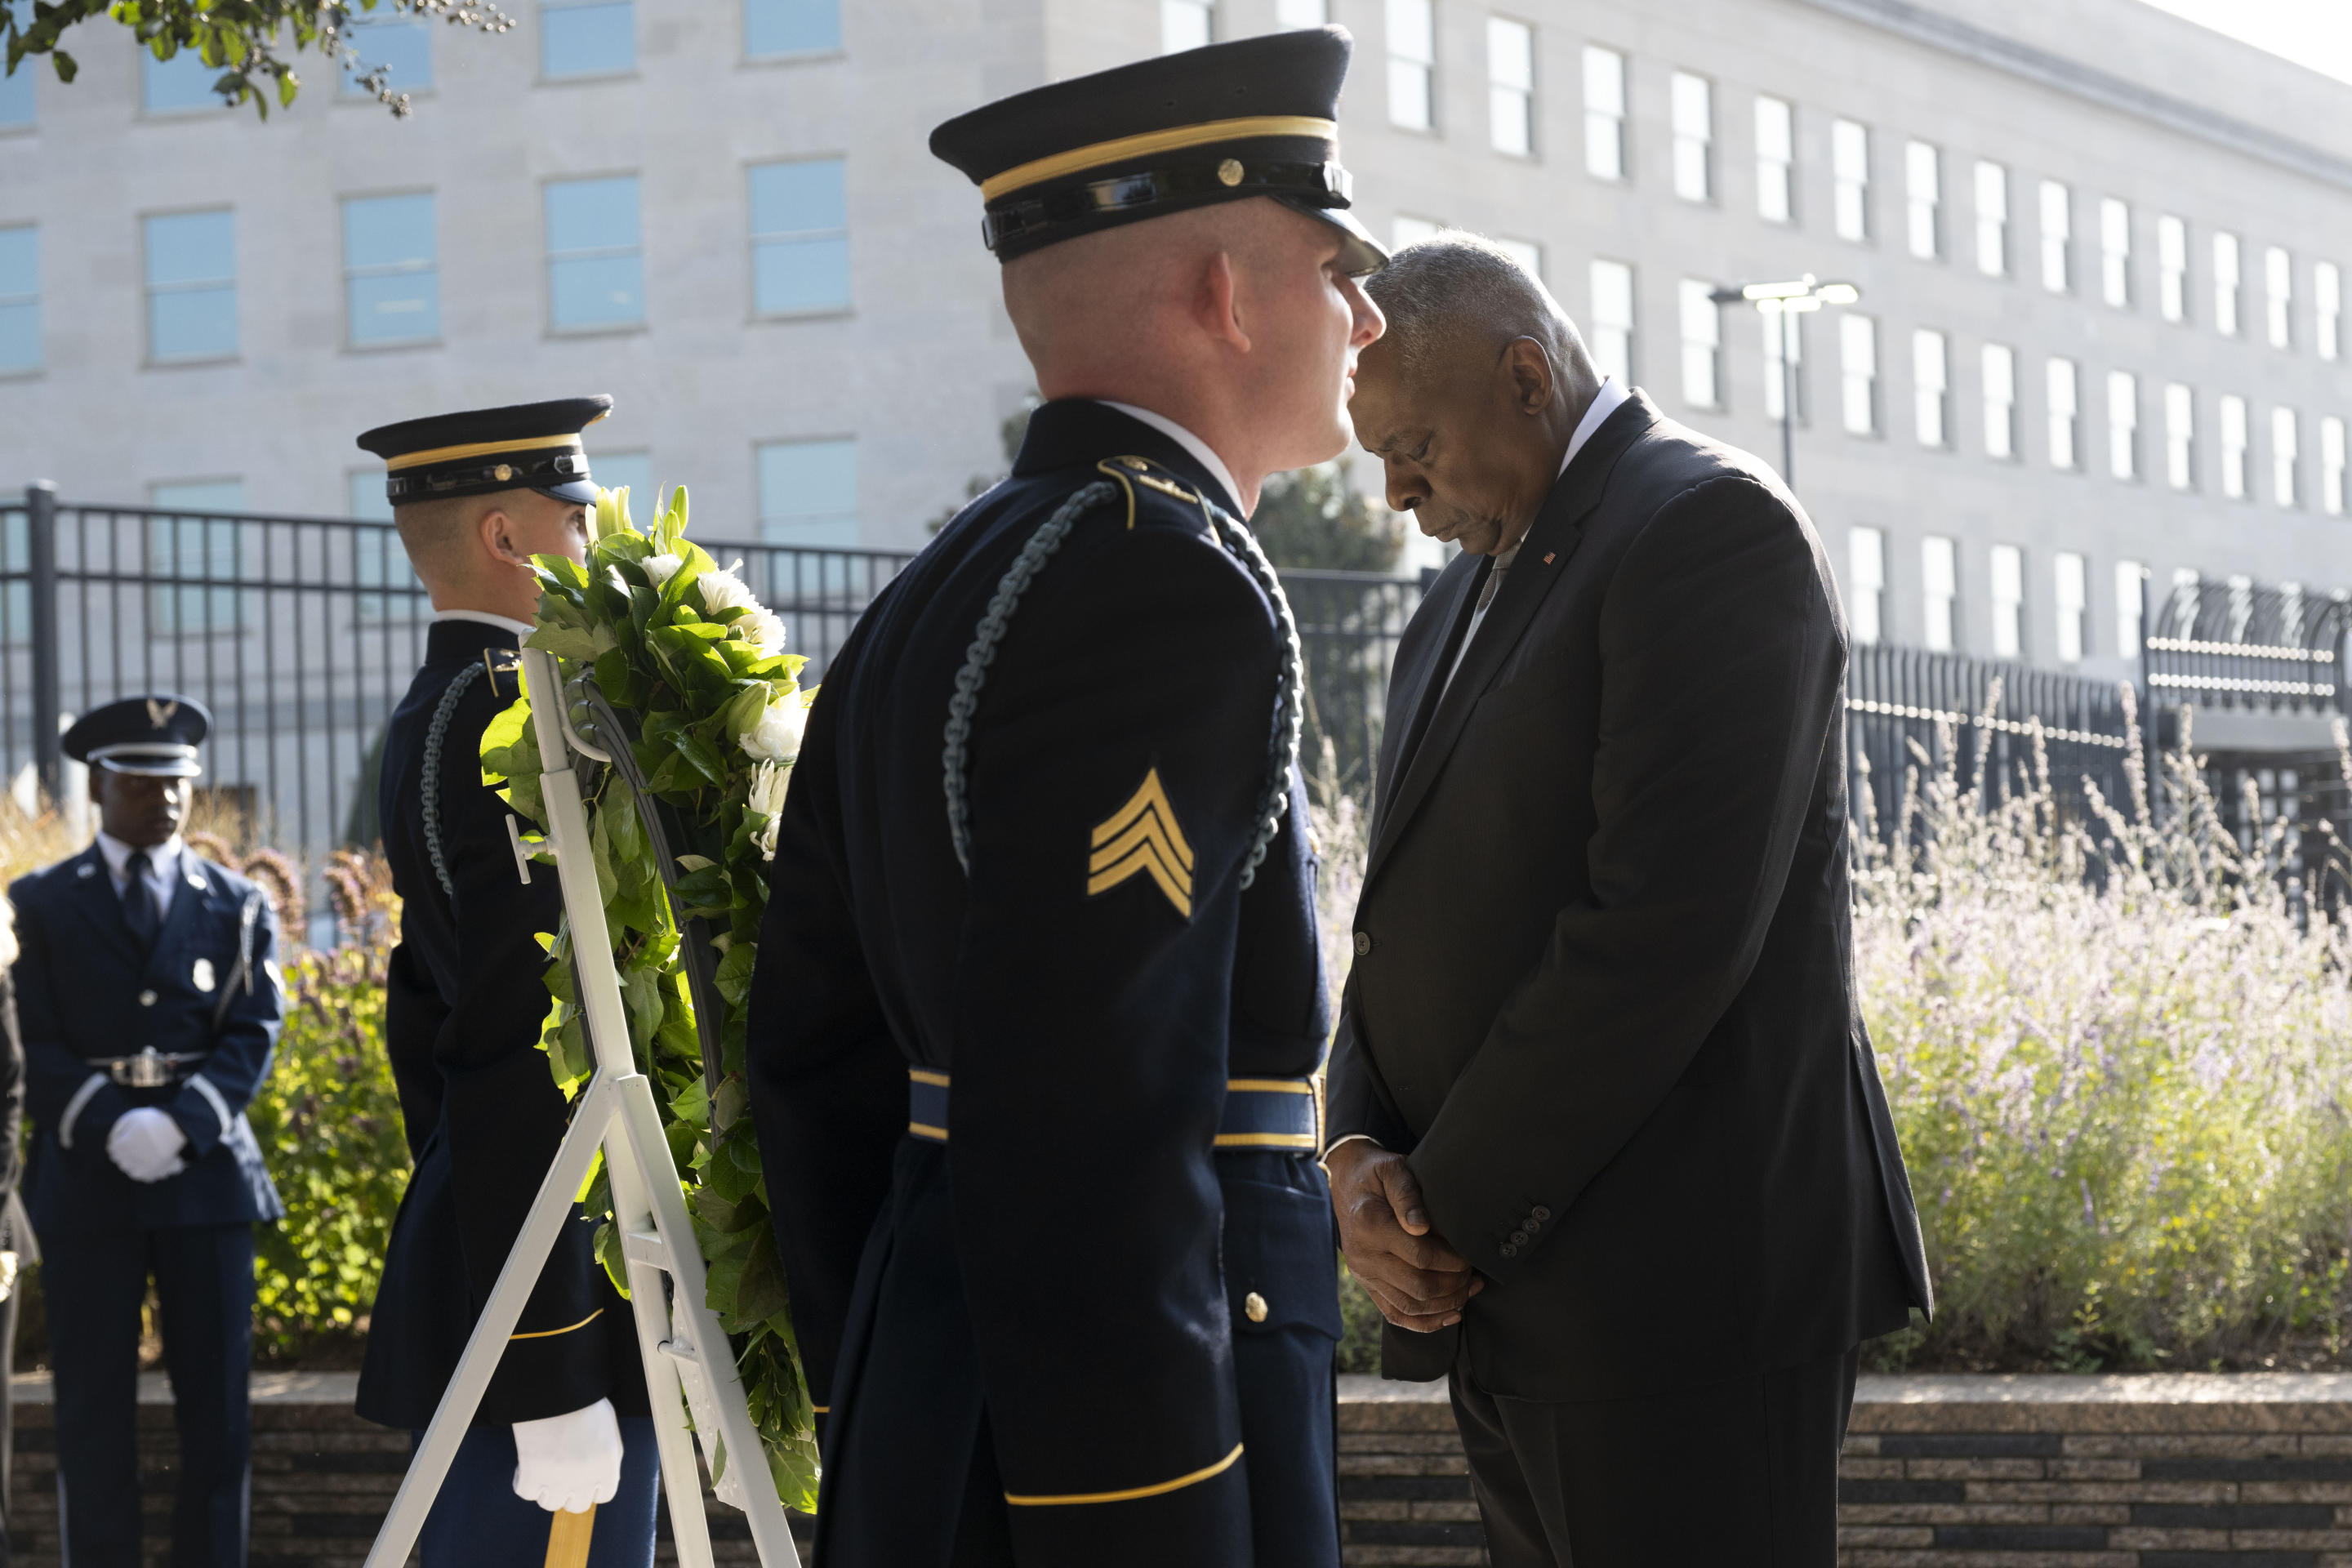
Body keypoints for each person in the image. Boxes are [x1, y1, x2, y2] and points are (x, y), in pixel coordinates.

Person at [743, 27, 1385, 1568]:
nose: (1367, 315)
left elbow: (811, 1053)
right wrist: (1144, 1509)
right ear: (1227, 295)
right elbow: (1101, 1099)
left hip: (947, 1396)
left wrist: (883, 1380)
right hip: (1112, 1462)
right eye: (1336, 268)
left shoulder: (948, 580)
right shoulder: (1165, 583)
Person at [1326, 234, 1935, 1566]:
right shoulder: (1458, 601)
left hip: (1680, 1305)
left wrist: (1440, 1212)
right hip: (1509, 1298)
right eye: (1374, 456)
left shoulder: (1708, 530)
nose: (1394, 492)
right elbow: (1397, 919)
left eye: (1414, 445)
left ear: (1527, 378)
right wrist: (1356, 1158)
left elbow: (1661, 939)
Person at [351, 399, 657, 1566]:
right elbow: (518, 1050)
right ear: (505, 536)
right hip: (545, 1293)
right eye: (575, 517)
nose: (597, 542)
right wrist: (552, 1359)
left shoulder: (443, 709)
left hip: (506, 1257)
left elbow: (421, 1013)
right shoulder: (510, 717)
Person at [11, 694, 284, 1568]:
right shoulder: (43, 903)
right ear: (99, 786)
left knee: (219, 1415)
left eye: (177, 784)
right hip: (88, 1180)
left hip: (204, 1176)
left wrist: (184, 1123)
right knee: (91, 1411)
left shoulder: (236, 903)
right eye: (142, 782)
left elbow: (254, 1028)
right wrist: (104, 1120)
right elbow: (31, 1040)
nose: (165, 800)